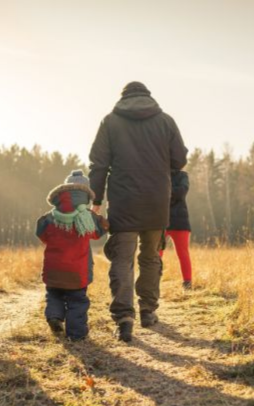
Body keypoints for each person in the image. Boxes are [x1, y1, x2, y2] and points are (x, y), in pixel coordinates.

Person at [89, 81, 188, 342]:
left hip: (123, 202)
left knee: (122, 259)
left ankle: (124, 318)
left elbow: (98, 164)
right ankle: (148, 310)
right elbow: (179, 160)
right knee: (151, 257)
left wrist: (95, 199)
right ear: (148, 96)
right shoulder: (165, 121)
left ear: (122, 98)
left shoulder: (110, 121)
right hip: (157, 202)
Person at [36, 170, 109, 341]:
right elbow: (98, 232)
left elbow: (41, 233)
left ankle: (54, 316)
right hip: (78, 270)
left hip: (54, 269)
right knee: (77, 301)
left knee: (54, 295)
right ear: (86, 194)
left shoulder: (50, 216)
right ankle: (76, 335)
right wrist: (104, 222)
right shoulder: (87, 216)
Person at [160, 169, 192, 290]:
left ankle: (187, 283)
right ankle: (153, 281)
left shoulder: (183, 175)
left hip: (180, 221)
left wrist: (164, 192)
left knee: (183, 253)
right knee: (156, 254)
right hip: (161, 220)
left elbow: (182, 192)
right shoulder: (160, 173)